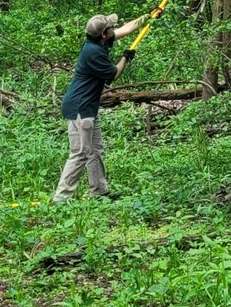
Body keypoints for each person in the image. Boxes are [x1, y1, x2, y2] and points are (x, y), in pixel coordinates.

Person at [53, 10, 156, 202]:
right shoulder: (93, 52)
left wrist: (148, 16)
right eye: (110, 27)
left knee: (95, 150)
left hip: (89, 107)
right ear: (103, 34)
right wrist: (125, 57)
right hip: (80, 108)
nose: (114, 28)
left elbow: (127, 28)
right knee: (80, 153)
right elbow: (113, 74)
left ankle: (99, 191)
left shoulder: (98, 40)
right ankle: (61, 198)